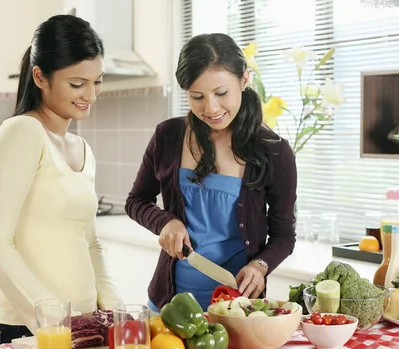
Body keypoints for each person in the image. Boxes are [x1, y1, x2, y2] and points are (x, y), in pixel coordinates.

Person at [0, 15, 122, 344]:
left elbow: (90, 242)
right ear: (40, 76)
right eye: (76, 83)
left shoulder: (82, 149)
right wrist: (52, 316)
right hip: (28, 330)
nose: (91, 94)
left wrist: (115, 311)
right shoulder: (22, 133)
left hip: (81, 328)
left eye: (97, 81)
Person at [125, 33, 297, 312]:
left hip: (238, 311)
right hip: (169, 307)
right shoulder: (168, 135)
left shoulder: (274, 151)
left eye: (221, 93)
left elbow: (283, 235)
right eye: (197, 97)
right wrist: (165, 222)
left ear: (244, 79)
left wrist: (260, 265)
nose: (211, 108)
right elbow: (136, 201)